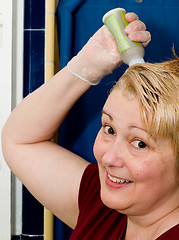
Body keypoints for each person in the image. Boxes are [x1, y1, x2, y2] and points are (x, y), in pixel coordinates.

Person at [2, 11, 179, 240]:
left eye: (139, 143)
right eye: (109, 129)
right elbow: (20, 140)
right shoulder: (102, 205)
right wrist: (87, 65)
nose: (108, 158)